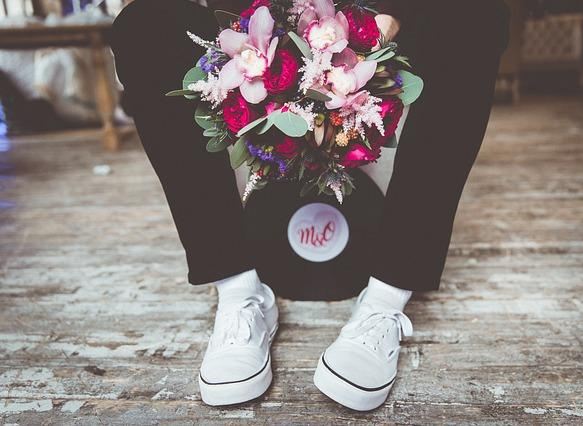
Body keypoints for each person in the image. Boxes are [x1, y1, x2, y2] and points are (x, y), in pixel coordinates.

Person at [110, 0, 509, 411]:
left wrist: (389, 15)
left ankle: (384, 304)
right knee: (145, 24)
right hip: (250, 17)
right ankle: (240, 294)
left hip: (375, 12)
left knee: (472, 14)